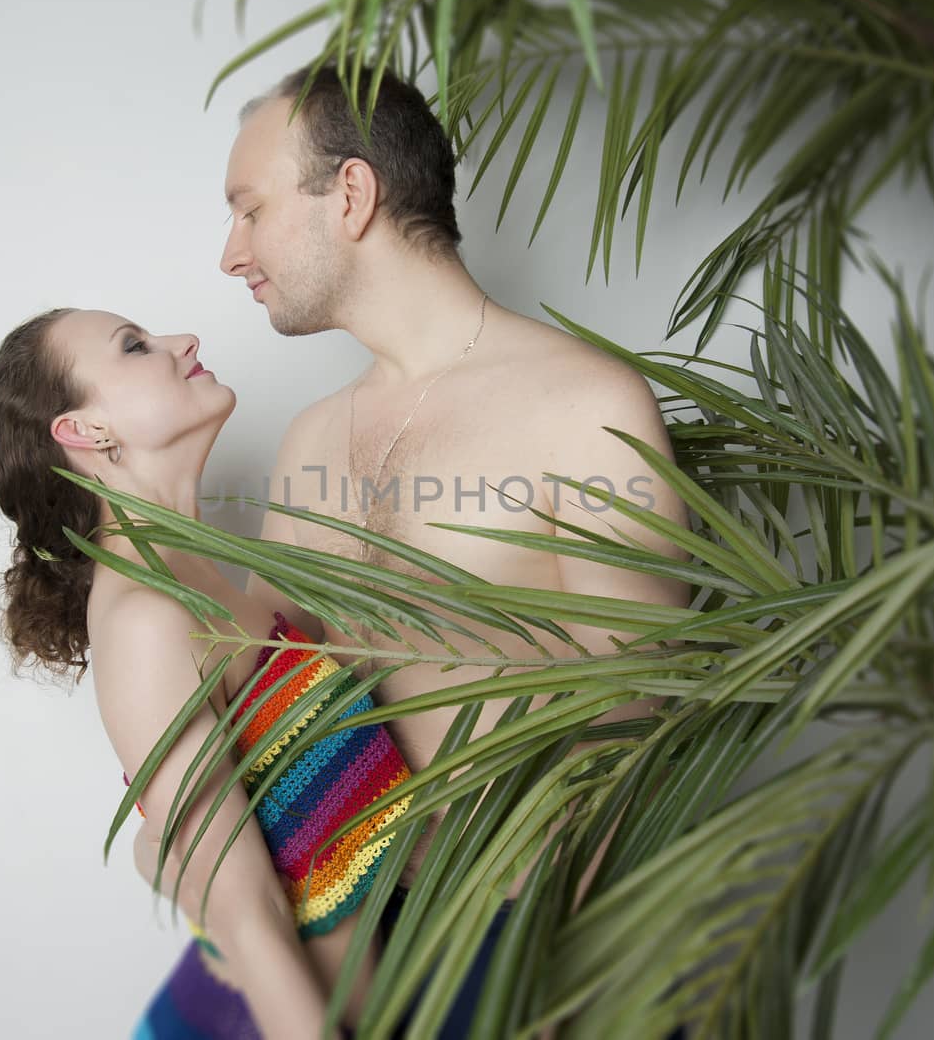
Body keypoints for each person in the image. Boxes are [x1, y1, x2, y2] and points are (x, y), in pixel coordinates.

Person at [218, 63, 694, 1034]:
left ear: (350, 195)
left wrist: (546, 993)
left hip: (548, 959)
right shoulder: (311, 439)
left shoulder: (586, 407)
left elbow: (639, 733)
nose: (231, 252)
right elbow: (257, 687)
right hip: (368, 960)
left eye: (249, 209)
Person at [0, 309, 414, 1040]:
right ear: (85, 431)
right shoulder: (147, 619)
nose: (184, 343)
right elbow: (246, 919)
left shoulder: (200, 578)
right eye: (134, 346)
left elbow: (186, 844)